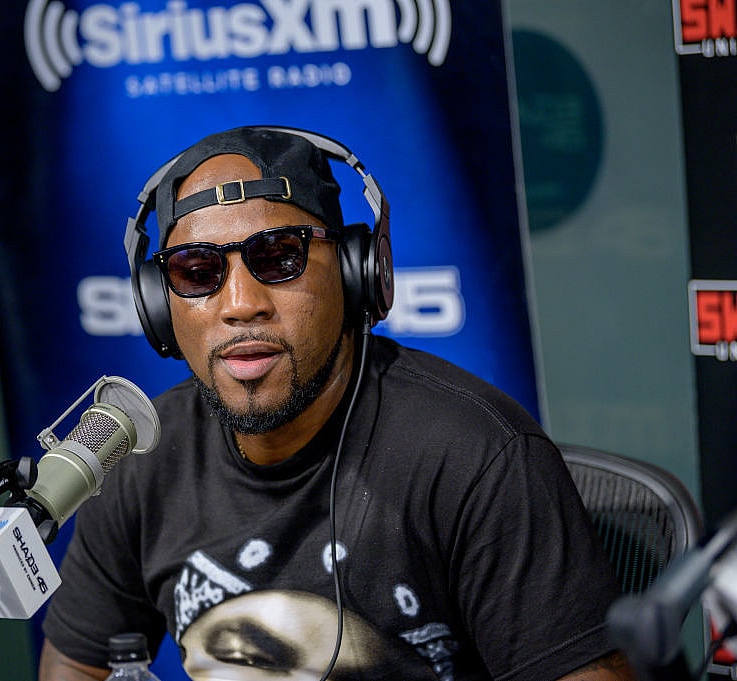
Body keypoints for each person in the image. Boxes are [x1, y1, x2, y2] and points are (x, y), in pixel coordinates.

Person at [38, 126, 636, 681]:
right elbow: (77, 667)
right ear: (158, 306)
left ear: (357, 274)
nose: (240, 303)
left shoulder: (477, 458)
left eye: (278, 258)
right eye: (197, 272)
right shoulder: (140, 451)